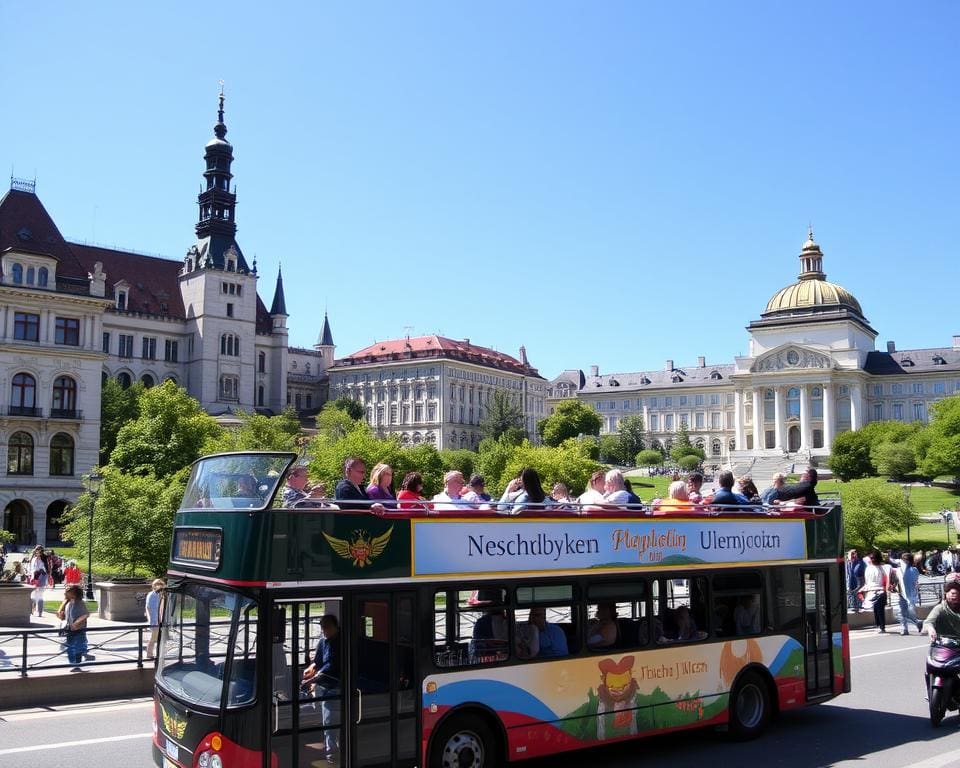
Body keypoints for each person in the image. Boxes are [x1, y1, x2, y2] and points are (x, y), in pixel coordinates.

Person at [302, 614, 341, 762]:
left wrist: (314, 677)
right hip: (323, 686)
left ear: (335, 627)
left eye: (327, 628)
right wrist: (312, 667)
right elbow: (318, 660)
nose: (324, 631)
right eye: (323, 628)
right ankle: (330, 748)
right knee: (325, 719)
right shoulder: (323, 641)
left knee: (330, 721)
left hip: (334, 686)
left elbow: (331, 666)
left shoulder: (340, 642)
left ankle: (332, 755)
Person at [57, 584, 90, 670]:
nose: (65, 592)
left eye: (67, 591)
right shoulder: (69, 603)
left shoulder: (79, 603)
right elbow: (63, 616)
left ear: (73, 593)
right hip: (70, 629)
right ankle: (74, 664)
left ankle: (76, 664)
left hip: (78, 629)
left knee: (76, 648)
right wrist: (62, 615)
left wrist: (75, 624)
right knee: (70, 648)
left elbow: (85, 614)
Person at [892, 553, 923, 635]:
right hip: (902, 594)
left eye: (904, 560)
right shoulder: (900, 570)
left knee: (907, 613)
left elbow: (912, 581)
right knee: (901, 612)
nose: (902, 562)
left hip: (910, 594)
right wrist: (894, 586)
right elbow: (896, 580)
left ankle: (917, 623)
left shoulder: (914, 570)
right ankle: (905, 629)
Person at [924, 573, 960, 642]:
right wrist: (930, 629)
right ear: (945, 593)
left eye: (957, 589)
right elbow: (928, 622)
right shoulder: (940, 608)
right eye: (949, 589)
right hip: (944, 646)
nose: (953, 592)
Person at [861, 549, 889, 633]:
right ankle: (879, 625)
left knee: (880, 609)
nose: (872, 560)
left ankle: (882, 626)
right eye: (871, 558)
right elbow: (867, 581)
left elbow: (886, 580)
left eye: (873, 558)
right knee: (876, 609)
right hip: (871, 590)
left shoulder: (882, 568)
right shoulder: (868, 568)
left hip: (880, 590)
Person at [145, 578, 165, 660]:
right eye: (157, 584)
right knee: (153, 637)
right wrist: (152, 620)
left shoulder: (161, 595)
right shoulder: (152, 595)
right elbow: (149, 608)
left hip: (161, 620)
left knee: (159, 638)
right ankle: (149, 654)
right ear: (154, 586)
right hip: (155, 620)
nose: (159, 586)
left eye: (161, 584)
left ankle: (159, 654)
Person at [28, 545, 48, 616]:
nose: (37, 552)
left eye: (39, 550)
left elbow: (45, 570)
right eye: (36, 550)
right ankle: (32, 610)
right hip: (34, 578)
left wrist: (40, 573)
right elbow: (30, 569)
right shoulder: (33, 559)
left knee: (39, 595)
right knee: (33, 595)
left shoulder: (44, 559)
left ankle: (39, 611)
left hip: (41, 577)